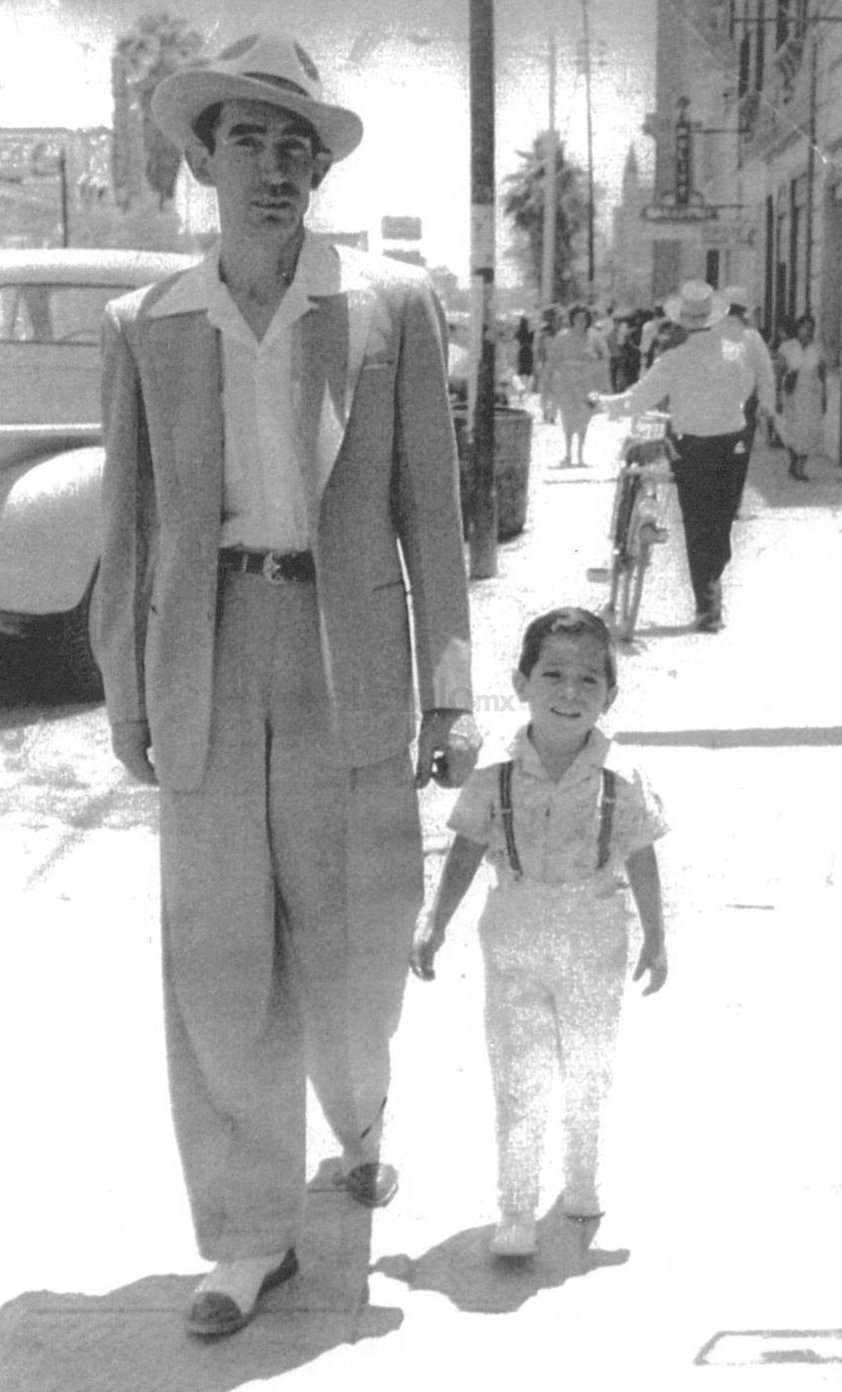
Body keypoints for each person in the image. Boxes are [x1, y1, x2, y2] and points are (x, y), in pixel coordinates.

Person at [95, 30, 481, 1339]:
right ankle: (247, 1233)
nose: (273, 165)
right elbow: (134, 525)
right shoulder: (145, 324)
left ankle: (357, 1118)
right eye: (248, 138)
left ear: (319, 170)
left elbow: (435, 515)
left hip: (348, 656)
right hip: (207, 652)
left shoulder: (389, 305)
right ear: (202, 158)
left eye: (295, 144)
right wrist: (127, 693)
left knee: (358, 952)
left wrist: (450, 693)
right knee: (218, 961)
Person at [411, 607, 667, 1258]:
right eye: (552, 674)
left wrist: (657, 939)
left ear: (609, 695)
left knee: (588, 1064)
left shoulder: (622, 777)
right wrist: (434, 924)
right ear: (521, 683)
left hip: (595, 927)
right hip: (517, 925)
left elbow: (640, 853)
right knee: (518, 1071)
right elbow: (467, 850)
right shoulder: (494, 776)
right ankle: (516, 1209)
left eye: (589, 680)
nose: (570, 692)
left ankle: (582, 1176)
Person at [594, 280, 758, 633]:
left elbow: (639, 398)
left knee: (698, 523)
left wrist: (605, 405)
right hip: (732, 445)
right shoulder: (734, 354)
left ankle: (708, 602)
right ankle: (712, 586)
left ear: (683, 322)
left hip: (693, 447)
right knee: (721, 520)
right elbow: (745, 390)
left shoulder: (674, 359)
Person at [717, 286, 776, 510]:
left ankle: (724, 500)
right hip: (739, 407)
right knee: (738, 454)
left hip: (726, 407)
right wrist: (766, 404)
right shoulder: (749, 337)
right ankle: (731, 500)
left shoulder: (716, 334)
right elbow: (765, 373)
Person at [546, 305, 609, 466]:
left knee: (584, 418)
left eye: (584, 318)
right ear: (572, 319)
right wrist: (548, 383)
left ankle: (580, 454)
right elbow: (553, 360)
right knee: (567, 417)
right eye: (577, 318)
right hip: (566, 383)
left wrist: (599, 376)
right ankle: (568, 454)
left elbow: (604, 358)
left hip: (587, 384)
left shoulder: (594, 337)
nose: (580, 322)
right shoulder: (562, 337)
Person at [775, 312, 827, 482]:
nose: (809, 332)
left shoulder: (818, 349)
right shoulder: (787, 347)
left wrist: (824, 397)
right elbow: (778, 374)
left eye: (811, 329)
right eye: (805, 328)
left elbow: (822, 375)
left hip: (811, 396)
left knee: (809, 431)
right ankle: (793, 460)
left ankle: (799, 468)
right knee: (790, 431)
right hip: (792, 396)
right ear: (798, 329)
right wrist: (776, 397)